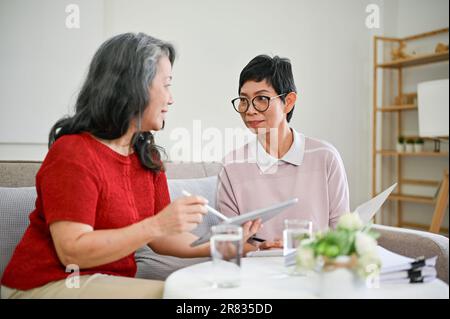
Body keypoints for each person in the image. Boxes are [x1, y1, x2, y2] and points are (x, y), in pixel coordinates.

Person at [0, 33, 261, 299]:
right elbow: (72, 251)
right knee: (179, 297)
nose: (171, 99)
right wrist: (156, 224)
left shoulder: (146, 157)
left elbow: (162, 240)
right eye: (166, 85)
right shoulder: (73, 153)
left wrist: (228, 245)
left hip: (104, 284)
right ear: (135, 86)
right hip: (45, 285)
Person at [217, 55, 350, 250]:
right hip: (257, 272)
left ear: (288, 102)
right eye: (244, 100)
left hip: (316, 269)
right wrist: (259, 250)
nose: (250, 110)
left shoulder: (325, 157)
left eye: (261, 99)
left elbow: (342, 233)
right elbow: (229, 242)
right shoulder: (231, 166)